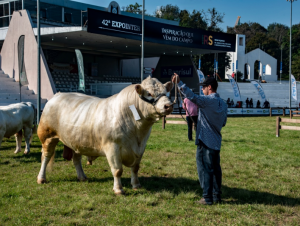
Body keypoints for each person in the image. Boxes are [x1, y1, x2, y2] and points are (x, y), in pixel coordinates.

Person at [172, 73, 227, 205]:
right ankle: (216, 195)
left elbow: (192, 96)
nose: (202, 90)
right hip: (216, 140)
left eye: (203, 87)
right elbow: (223, 122)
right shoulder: (223, 104)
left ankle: (207, 197)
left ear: (209, 87)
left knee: (205, 168)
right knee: (216, 168)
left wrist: (179, 83)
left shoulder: (208, 101)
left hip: (205, 140)